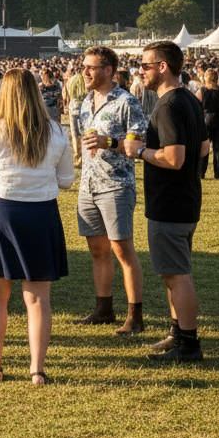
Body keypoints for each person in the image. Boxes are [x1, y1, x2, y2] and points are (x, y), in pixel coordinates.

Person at [0, 69, 75, 385]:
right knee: (38, 298)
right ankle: (37, 370)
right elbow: (67, 180)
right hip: (41, 214)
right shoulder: (56, 131)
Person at [125, 41, 208, 362]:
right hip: (185, 197)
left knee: (177, 273)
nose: (140, 71)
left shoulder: (169, 105)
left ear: (163, 67)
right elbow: (201, 148)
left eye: (144, 65)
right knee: (174, 271)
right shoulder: (188, 98)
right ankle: (177, 334)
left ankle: (188, 343)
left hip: (171, 202)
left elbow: (174, 158)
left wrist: (140, 151)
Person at [70, 47, 148, 335]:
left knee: (122, 250)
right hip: (88, 185)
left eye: (91, 67)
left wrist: (110, 142)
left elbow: (138, 145)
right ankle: (103, 310)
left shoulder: (127, 102)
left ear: (108, 71)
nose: (85, 72)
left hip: (116, 185)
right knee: (97, 250)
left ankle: (135, 317)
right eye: (84, 67)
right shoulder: (86, 101)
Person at [196, 69, 219, 179]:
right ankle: (217, 173)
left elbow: (196, 104)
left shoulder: (201, 91)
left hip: (205, 120)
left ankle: (201, 172)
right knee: (218, 148)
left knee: (204, 147)